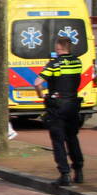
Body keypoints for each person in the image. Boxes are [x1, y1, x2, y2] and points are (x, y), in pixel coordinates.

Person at [33, 36, 84, 186]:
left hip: (57, 106)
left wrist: (41, 94)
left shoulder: (54, 64)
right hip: (73, 104)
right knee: (72, 138)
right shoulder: (77, 61)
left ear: (58, 47)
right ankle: (79, 170)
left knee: (58, 140)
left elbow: (37, 82)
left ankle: (65, 174)